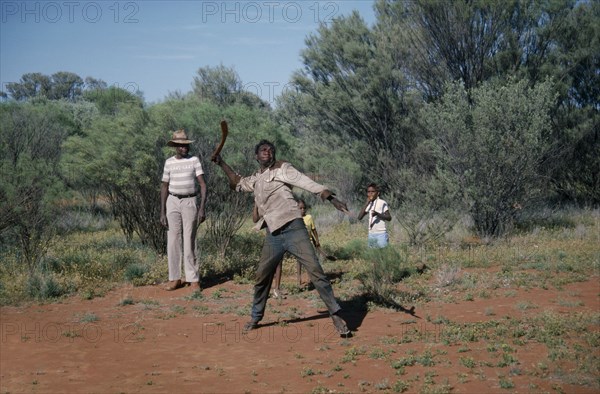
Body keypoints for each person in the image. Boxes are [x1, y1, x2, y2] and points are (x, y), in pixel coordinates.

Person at [213, 140, 350, 336]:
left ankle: (336, 314)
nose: (267, 151)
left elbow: (307, 183)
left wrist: (331, 198)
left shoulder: (283, 168)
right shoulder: (256, 178)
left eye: (270, 149)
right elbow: (237, 183)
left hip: (294, 228)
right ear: (256, 156)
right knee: (262, 277)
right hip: (273, 234)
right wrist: (221, 163)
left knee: (315, 271)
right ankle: (256, 316)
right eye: (263, 150)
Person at [160, 129, 207, 291]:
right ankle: (174, 278)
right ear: (175, 146)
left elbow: (202, 184)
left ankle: (193, 279)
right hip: (172, 201)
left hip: (190, 201)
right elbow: (164, 186)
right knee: (173, 240)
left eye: (186, 145)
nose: (184, 148)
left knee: (190, 240)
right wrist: (162, 212)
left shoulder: (194, 160)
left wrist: (202, 208)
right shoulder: (169, 162)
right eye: (181, 146)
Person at [269, 198, 321, 298]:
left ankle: (313, 281)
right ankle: (278, 287)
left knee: (311, 262)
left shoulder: (307, 218)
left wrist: (317, 242)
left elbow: (313, 231)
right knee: (279, 264)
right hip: (290, 243)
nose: (302, 210)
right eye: (300, 208)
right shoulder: (291, 218)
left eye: (303, 208)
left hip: (305, 243)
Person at [357, 183, 391, 248]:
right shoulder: (369, 204)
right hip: (371, 233)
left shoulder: (382, 202)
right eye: (368, 192)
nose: (370, 194)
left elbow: (389, 218)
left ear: (377, 193)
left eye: (373, 192)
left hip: (381, 233)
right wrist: (367, 203)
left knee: (382, 253)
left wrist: (378, 214)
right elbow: (359, 217)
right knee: (372, 255)